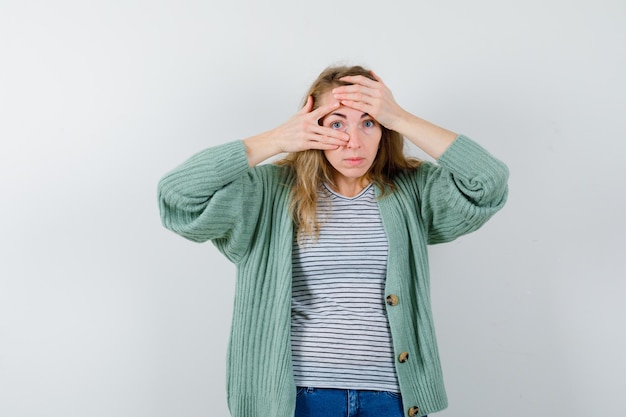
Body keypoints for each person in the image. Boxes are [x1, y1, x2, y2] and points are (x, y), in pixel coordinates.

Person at [157, 65, 509, 417]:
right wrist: (277, 139)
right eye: (337, 123)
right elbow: (178, 197)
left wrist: (399, 116)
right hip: (298, 396)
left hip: (391, 396)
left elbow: (488, 183)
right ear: (312, 126)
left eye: (368, 122)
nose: (353, 141)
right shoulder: (269, 192)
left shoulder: (412, 190)